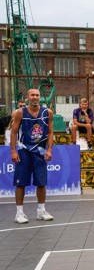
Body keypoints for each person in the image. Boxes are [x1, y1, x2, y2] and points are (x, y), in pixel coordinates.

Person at [10, 88, 54, 224]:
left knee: (41, 183)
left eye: (37, 95)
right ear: (27, 97)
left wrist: (49, 150)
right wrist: (13, 151)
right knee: (21, 183)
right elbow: (13, 132)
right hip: (24, 151)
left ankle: (41, 211)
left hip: (40, 152)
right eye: (32, 95)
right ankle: (19, 213)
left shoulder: (47, 112)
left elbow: (51, 132)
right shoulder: (20, 113)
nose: (35, 97)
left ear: (40, 97)